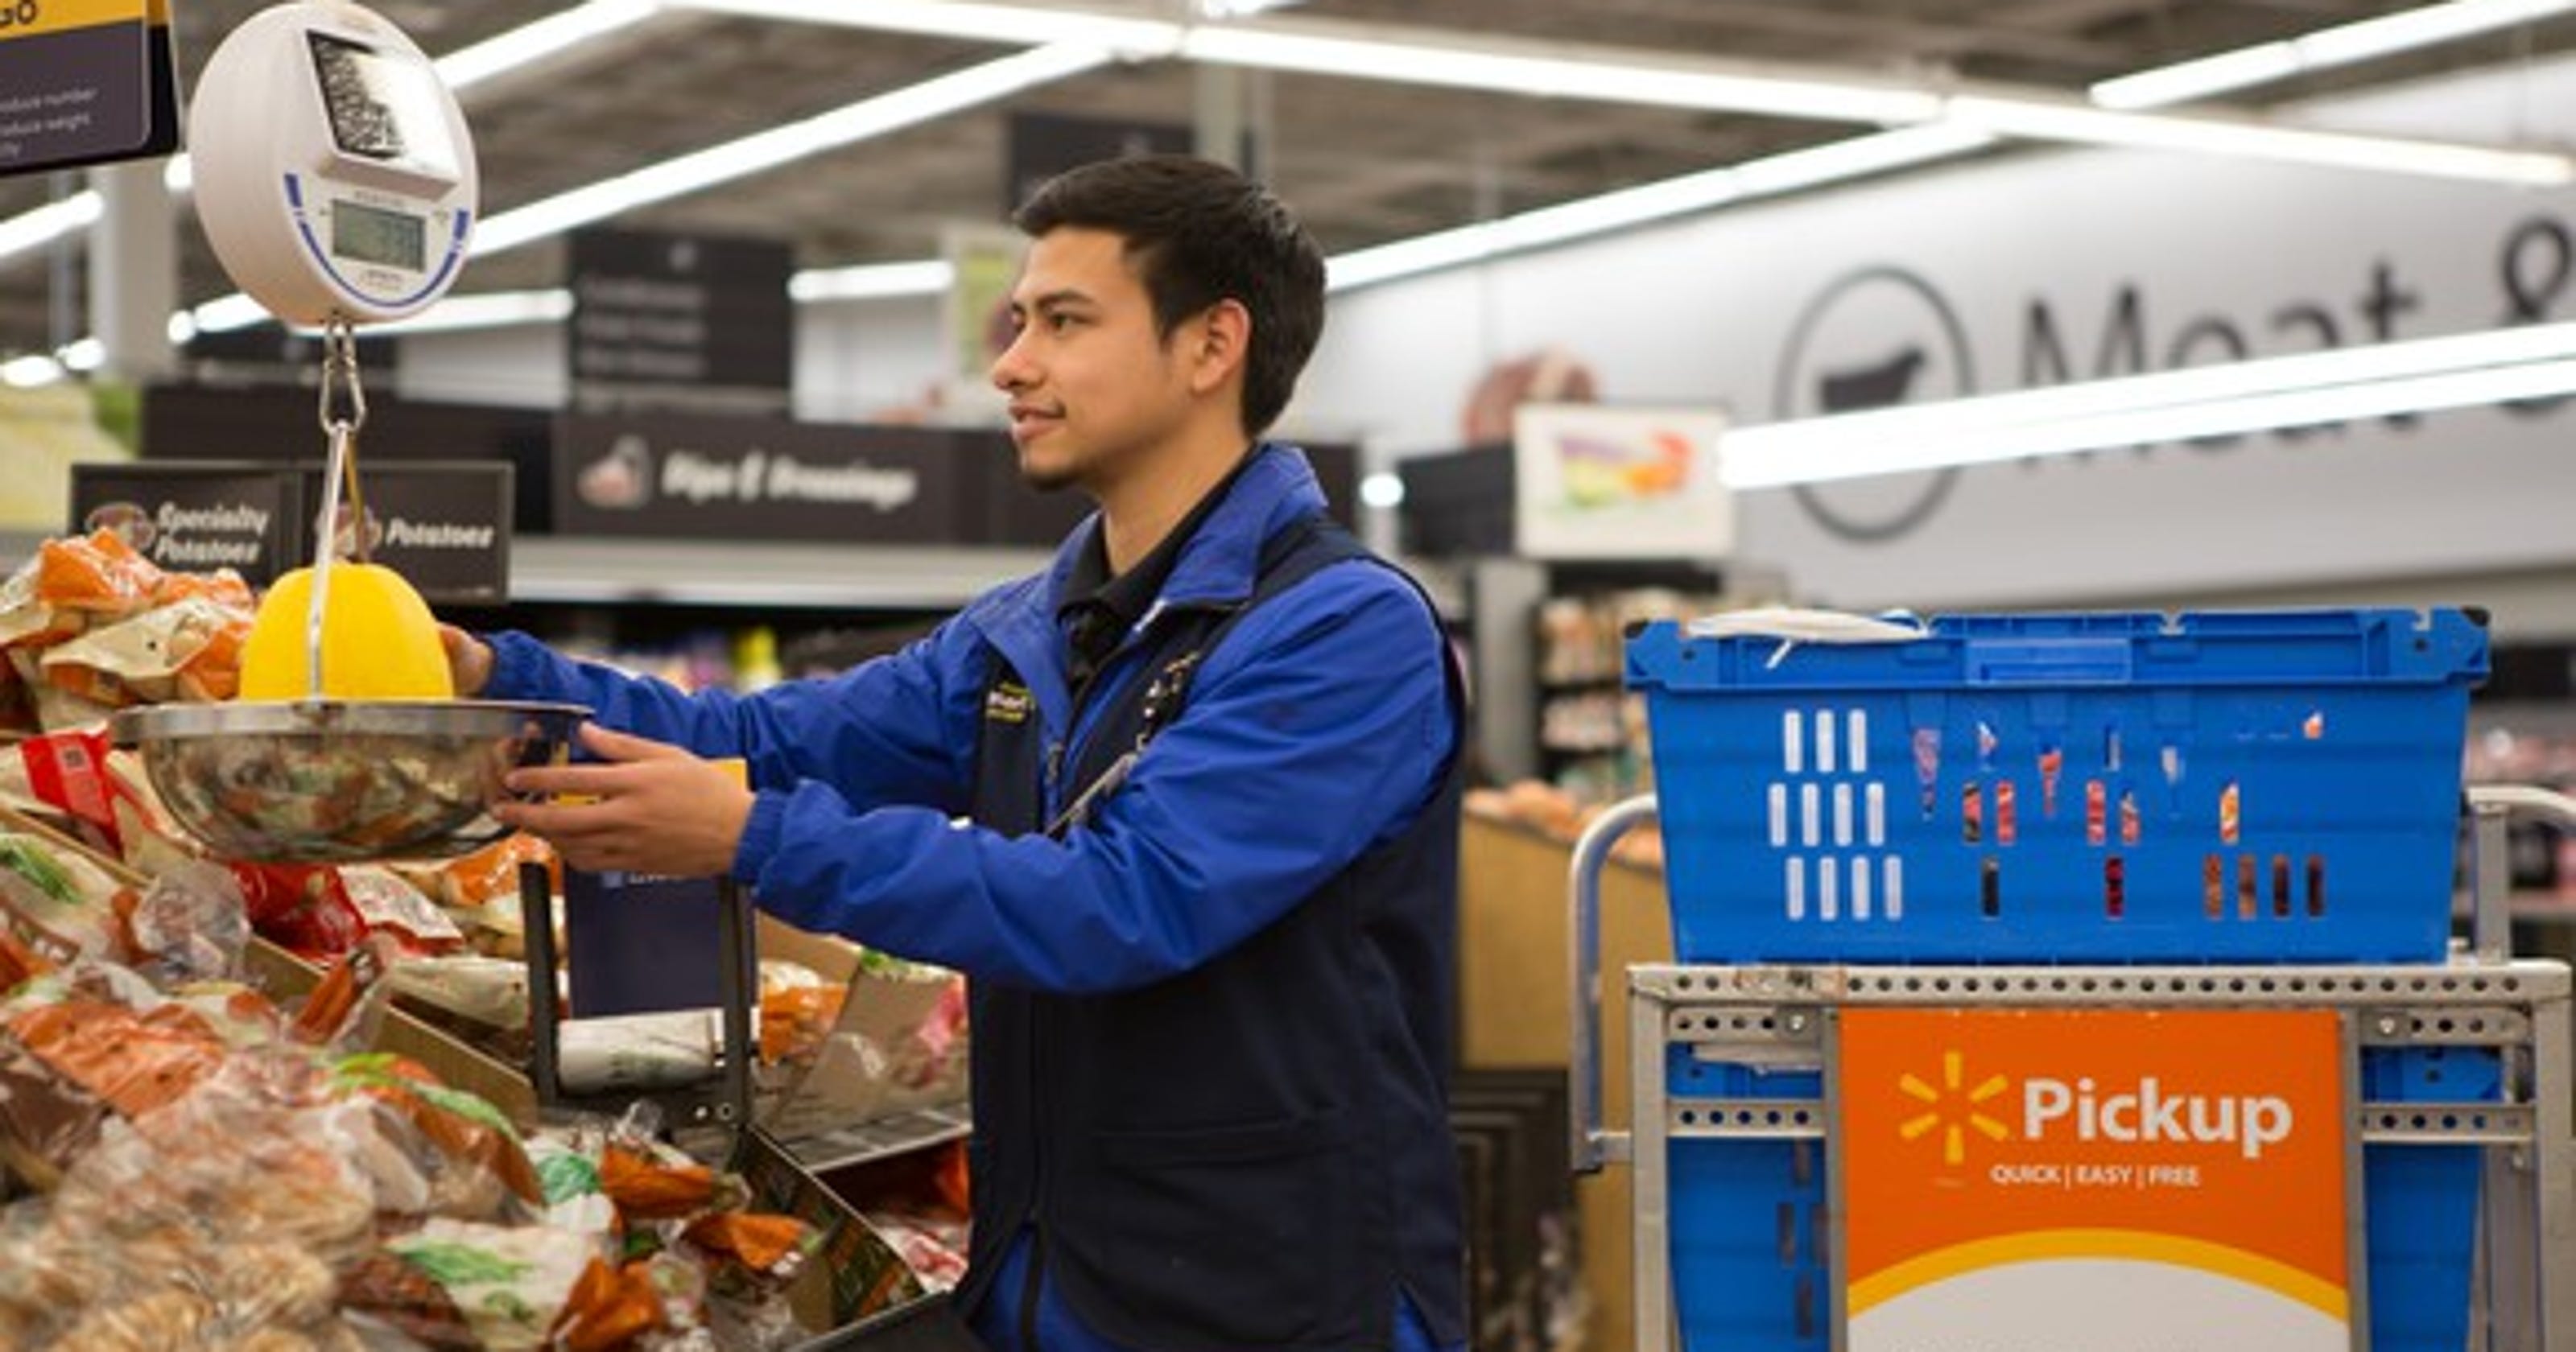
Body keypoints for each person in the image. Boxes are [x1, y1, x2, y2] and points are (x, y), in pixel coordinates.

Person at [444, 154, 1469, 1352]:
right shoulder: (1024, 631)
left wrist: (748, 838)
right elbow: (765, 738)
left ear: (1211, 346)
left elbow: (1127, 902)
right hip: (1052, 1279)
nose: (1010, 365)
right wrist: (498, 679)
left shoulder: (1345, 628)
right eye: (1017, 320)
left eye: (1064, 322)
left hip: (1280, 1300)